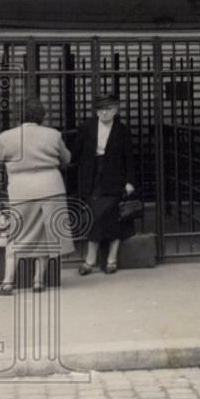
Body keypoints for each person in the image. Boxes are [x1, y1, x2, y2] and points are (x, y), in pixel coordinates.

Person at [0, 97, 74, 294]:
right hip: (51, 189)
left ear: (20, 116)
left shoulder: (6, 137)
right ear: (42, 116)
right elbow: (67, 159)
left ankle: (8, 282)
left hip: (21, 191)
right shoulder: (53, 135)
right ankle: (38, 281)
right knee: (44, 236)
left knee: (16, 235)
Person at [74, 92, 136, 276]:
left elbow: (129, 158)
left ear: (116, 110)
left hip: (114, 177)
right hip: (92, 177)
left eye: (108, 109)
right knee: (93, 217)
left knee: (113, 217)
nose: (104, 113)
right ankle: (90, 260)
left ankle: (111, 260)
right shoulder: (87, 127)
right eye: (100, 109)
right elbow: (76, 153)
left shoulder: (122, 130)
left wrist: (130, 181)